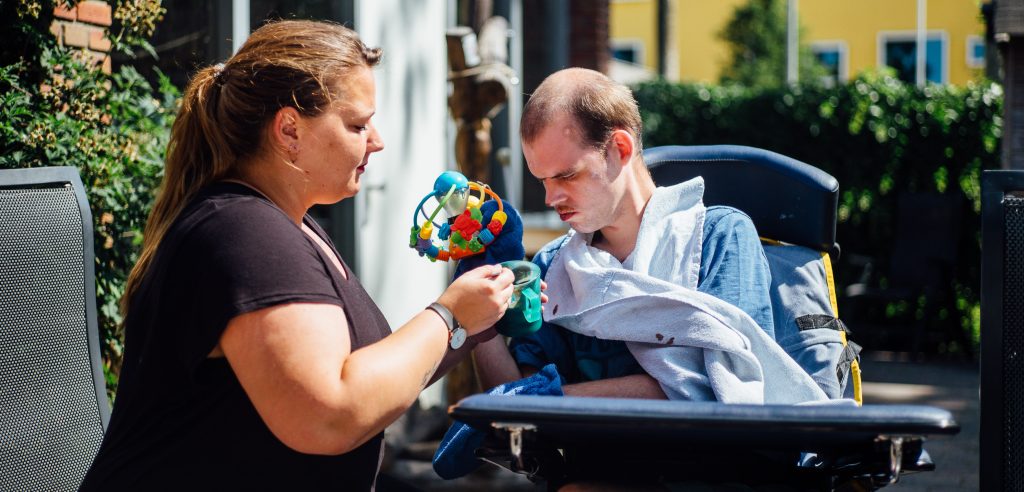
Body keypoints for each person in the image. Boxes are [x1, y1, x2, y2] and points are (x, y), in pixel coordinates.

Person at [80, 20, 516, 490]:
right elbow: (331, 414)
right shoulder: (245, 233)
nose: (378, 140)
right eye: (357, 124)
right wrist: (450, 316)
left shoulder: (293, 225)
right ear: (289, 129)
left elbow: (372, 375)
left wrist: (474, 320)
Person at [471, 67, 778, 399]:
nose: (550, 198)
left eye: (568, 176)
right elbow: (513, 403)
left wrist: (556, 399)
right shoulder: (553, 265)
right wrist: (476, 304)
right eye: (543, 180)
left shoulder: (718, 238)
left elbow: (730, 385)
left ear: (620, 148)